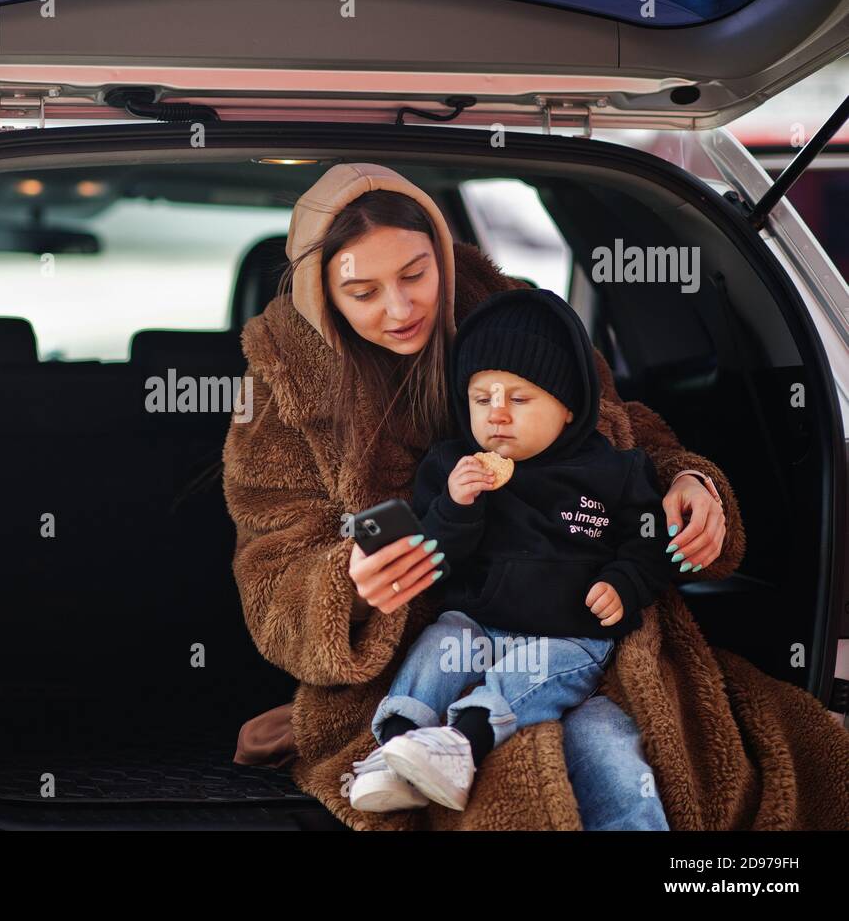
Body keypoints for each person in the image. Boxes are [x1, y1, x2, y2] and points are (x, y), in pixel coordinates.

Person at [224, 162, 739, 831]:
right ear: (324, 293)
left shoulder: (518, 318)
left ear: (440, 251)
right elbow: (268, 575)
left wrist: (690, 483)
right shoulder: (281, 396)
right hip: (417, 666)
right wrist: (342, 583)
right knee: (491, 793)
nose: (401, 308)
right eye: (364, 291)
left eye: (415, 274)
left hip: (578, 629)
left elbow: (617, 436)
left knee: (619, 760)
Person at [351, 287, 687, 813]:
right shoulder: (452, 467)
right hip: (479, 625)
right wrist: (457, 506)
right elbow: (433, 561)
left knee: (538, 666)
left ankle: (463, 740)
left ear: (568, 407)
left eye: (519, 399)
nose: (498, 415)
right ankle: (396, 742)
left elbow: (649, 541)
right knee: (442, 640)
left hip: (571, 634)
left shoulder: (614, 472)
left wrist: (625, 583)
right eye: (482, 399)